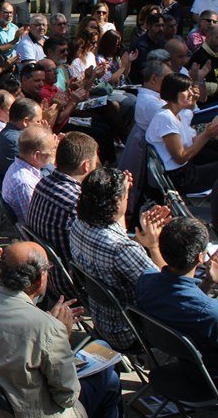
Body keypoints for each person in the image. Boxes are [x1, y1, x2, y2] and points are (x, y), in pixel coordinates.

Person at [0, 241, 124, 418]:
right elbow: (67, 395)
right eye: (47, 269)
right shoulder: (48, 328)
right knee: (111, 380)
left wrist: (47, 325)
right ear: (39, 279)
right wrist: (60, 336)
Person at [70, 168, 169, 349]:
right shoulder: (123, 250)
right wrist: (153, 246)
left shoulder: (78, 224)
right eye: (125, 196)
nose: (127, 198)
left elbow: (116, 234)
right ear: (116, 202)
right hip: (130, 332)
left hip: (101, 320)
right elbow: (166, 290)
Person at [135, 216, 218, 370]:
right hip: (208, 375)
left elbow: (182, 300)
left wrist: (208, 282)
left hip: (175, 363)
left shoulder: (145, 281)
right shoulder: (210, 313)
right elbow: (193, 305)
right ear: (200, 257)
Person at [26, 131, 99, 288]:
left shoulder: (42, 183)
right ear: (86, 165)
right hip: (72, 284)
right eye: (96, 163)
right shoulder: (76, 203)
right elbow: (102, 249)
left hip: (48, 274)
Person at [146, 72, 218, 222]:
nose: (192, 92)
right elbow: (180, 157)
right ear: (174, 94)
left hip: (185, 168)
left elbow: (190, 141)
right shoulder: (165, 118)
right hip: (180, 176)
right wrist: (207, 133)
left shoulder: (178, 113)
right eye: (187, 90)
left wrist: (209, 133)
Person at [1, 125, 56, 225]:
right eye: (51, 151)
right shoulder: (25, 184)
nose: (53, 155)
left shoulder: (18, 165)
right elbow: (35, 222)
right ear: (37, 155)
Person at [0, 97, 43, 186]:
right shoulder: (17, 142)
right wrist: (51, 152)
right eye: (38, 121)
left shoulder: (11, 136)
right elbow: (40, 176)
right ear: (25, 121)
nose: (41, 125)